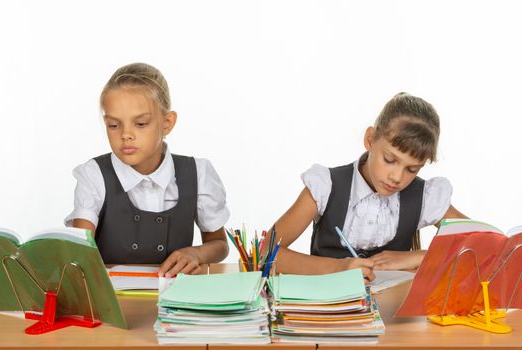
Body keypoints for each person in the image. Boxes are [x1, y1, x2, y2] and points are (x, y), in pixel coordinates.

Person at [267, 93, 467, 280]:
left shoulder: (425, 197)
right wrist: (338, 268)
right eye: (389, 159)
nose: (397, 177)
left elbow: (489, 246)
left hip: (396, 315)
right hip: (331, 313)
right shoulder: (326, 186)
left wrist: (421, 257)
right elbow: (265, 253)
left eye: (412, 169)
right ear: (370, 139)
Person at [65, 63, 229, 277]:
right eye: (114, 125)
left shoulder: (197, 174)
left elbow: (219, 244)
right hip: (113, 302)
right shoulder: (94, 175)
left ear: (167, 123)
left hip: (175, 301)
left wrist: (196, 254)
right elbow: (80, 250)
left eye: (140, 123)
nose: (126, 134)